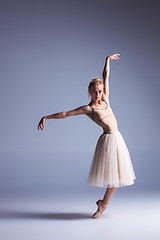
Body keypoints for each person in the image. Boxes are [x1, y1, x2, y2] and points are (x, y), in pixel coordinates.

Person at [38, 53, 136, 218]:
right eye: (95, 92)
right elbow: (65, 114)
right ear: (89, 93)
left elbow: (106, 76)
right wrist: (46, 117)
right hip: (108, 141)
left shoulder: (105, 100)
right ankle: (103, 205)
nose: (98, 95)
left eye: (100, 91)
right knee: (114, 178)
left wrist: (107, 61)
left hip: (118, 139)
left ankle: (102, 204)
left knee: (118, 177)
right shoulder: (89, 109)